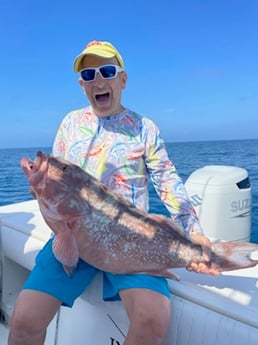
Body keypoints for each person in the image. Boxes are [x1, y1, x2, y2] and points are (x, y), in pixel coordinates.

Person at [8, 40, 219, 345]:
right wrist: (40, 188)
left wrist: (193, 231)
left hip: (129, 241)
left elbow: (166, 179)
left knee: (152, 318)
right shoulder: (70, 124)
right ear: (82, 85)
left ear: (123, 79)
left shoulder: (144, 128)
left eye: (107, 70)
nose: (99, 80)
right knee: (24, 319)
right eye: (89, 75)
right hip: (72, 238)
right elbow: (58, 179)